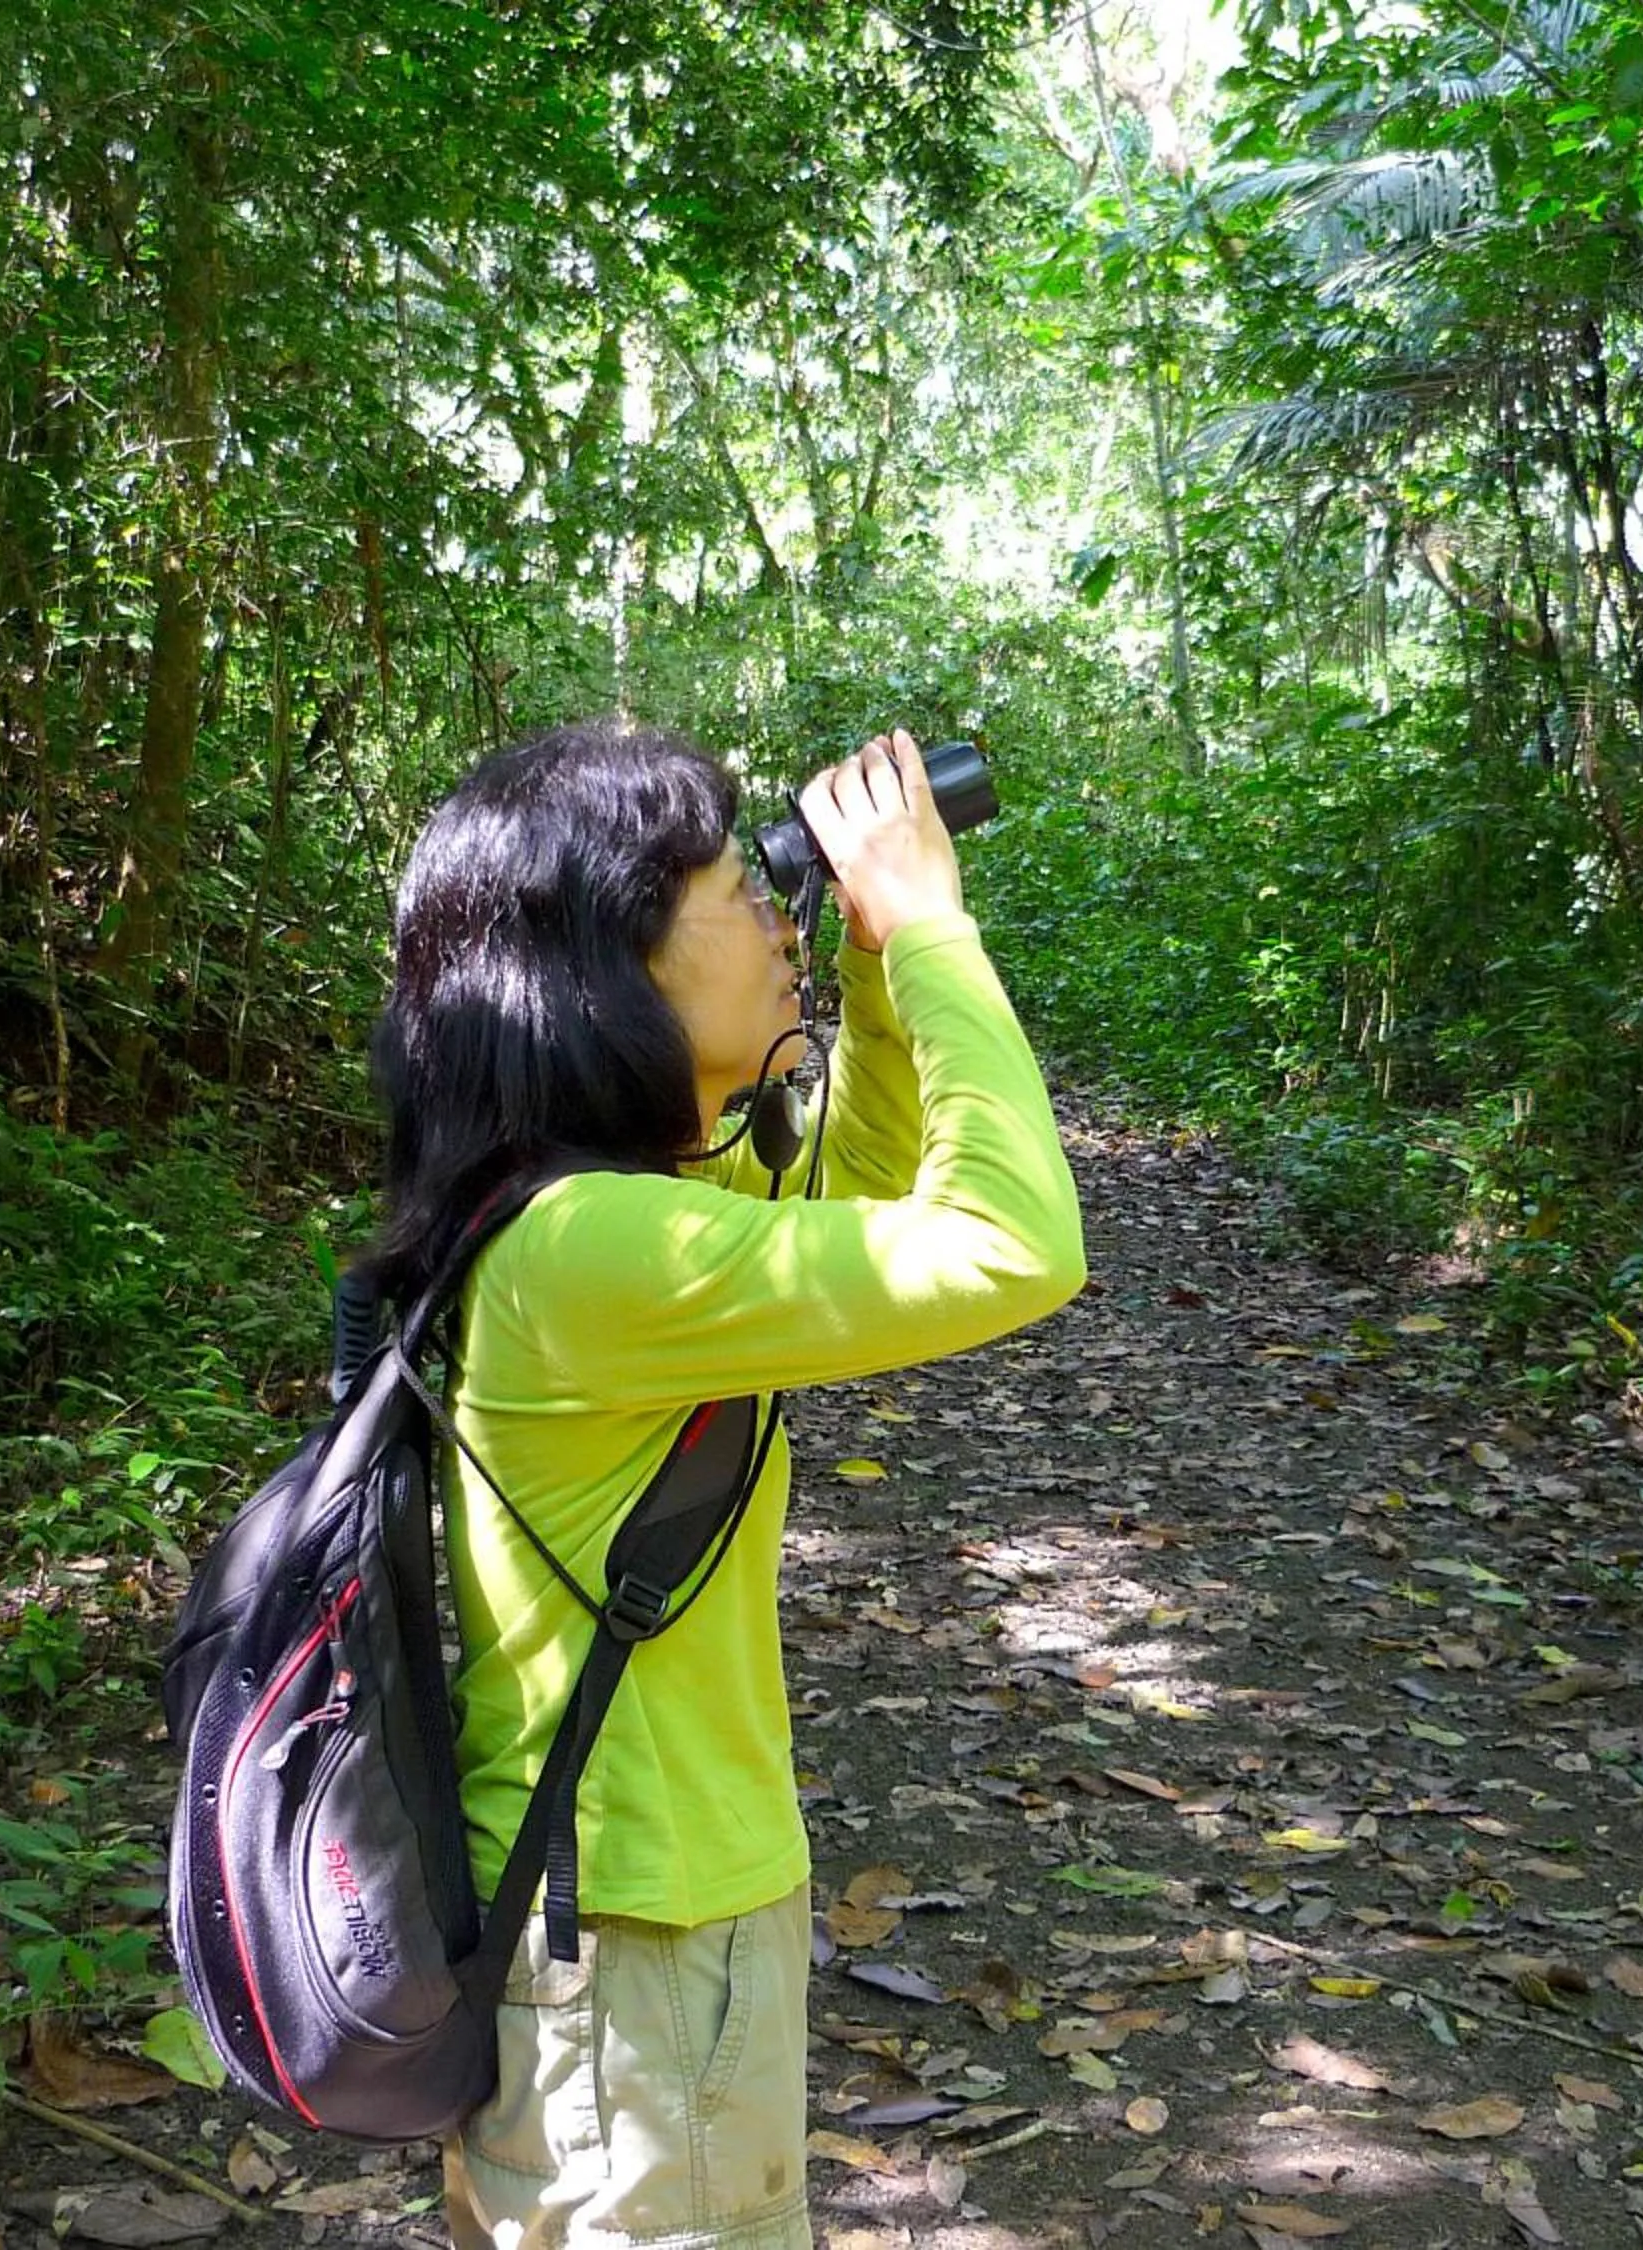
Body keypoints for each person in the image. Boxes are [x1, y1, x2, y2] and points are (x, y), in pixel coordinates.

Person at [360, 717, 1086, 2248]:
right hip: (638, 1946)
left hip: (633, 1926)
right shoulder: (592, 1250)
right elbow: (1013, 1242)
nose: (777, 914)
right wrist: (935, 922)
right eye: (735, 888)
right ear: (607, 961)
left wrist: (879, 976)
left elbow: (874, 1195)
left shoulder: (599, 1215)